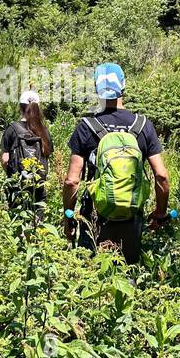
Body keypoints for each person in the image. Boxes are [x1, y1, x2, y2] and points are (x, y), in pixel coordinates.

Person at [63, 62, 170, 265]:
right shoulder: (143, 126)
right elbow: (162, 176)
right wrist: (160, 212)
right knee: (127, 276)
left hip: (94, 216)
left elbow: (71, 181)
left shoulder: (86, 127)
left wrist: (68, 217)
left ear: (97, 88)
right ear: (123, 85)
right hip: (132, 216)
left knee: (92, 277)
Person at [1, 89, 53, 218]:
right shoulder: (44, 131)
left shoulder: (12, 129)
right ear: (38, 108)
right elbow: (47, 157)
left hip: (18, 183)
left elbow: (5, 159)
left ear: (20, 107)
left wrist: (10, 174)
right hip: (38, 183)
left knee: (17, 219)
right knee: (38, 219)